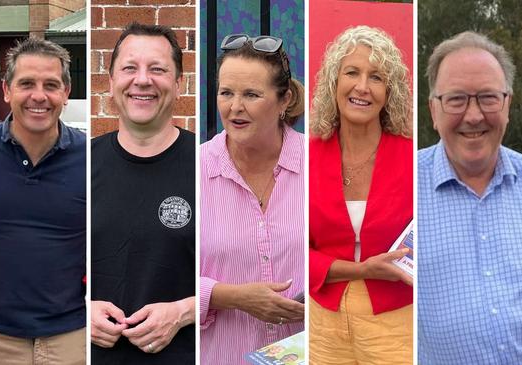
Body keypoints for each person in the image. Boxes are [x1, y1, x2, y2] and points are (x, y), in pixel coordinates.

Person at [91, 23, 195, 364]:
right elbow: (44, 266)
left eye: (158, 69)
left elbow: (242, 270)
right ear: (110, 82)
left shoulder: (210, 165)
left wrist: (184, 311)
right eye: (130, 68)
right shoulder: (78, 165)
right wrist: (79, 309)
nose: (143, 80)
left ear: (179, 84)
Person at [309, 26, 413, 364]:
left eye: (377, 77)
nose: (362, 87)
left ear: (389, 92)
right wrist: (362, 270)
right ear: (333, 82)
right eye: (352, 72)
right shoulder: (304, 158)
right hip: (324, 322)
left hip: (395, 323)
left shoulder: (413, 158)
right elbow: (292, 247)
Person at [200, 34, 305, 364]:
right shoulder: (194, 170)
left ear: (284, 99)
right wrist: (234, 296)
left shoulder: (321, 164)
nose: (235, 107)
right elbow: (165, 274)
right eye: (226, 93)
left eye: (251, 95)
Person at [418, 31, 522, 364]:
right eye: (457, 99)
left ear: (508, 104)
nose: (474, 116)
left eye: (488, 98)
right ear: (434, 110)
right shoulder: (397, 186)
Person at [0, 38, 86, 364]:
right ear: (6, 90)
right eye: (26, 83)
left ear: (66, 92)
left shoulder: (92, 158)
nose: (39, 96)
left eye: (51, 85)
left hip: (71, 337)